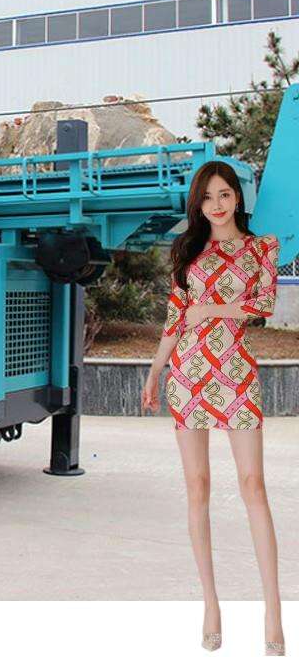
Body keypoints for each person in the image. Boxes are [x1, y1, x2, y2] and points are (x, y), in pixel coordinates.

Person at [140, 160, 284, 656]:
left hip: (236, 373)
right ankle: (210, 604)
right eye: (207, 197)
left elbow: (264, 304)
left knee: (253, 485)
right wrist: (156, 370)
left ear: (238, 198)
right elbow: (174, 317)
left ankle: (272, 610)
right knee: (197, 486)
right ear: (197, 204)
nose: (216, 205)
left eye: (224, 195)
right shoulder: (187, 250)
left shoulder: (261, 248)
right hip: (188, 374)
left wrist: (212, 309)